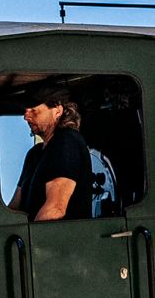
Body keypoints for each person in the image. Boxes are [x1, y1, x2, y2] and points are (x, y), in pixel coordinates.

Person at [9, 85, 95, 221]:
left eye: (33, 110)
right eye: (25, 111)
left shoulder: (67, 142)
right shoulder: (34, 154)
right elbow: (15, 206)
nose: (26, 116)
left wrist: (31, 235)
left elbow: (55, 209)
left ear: (57, 111)